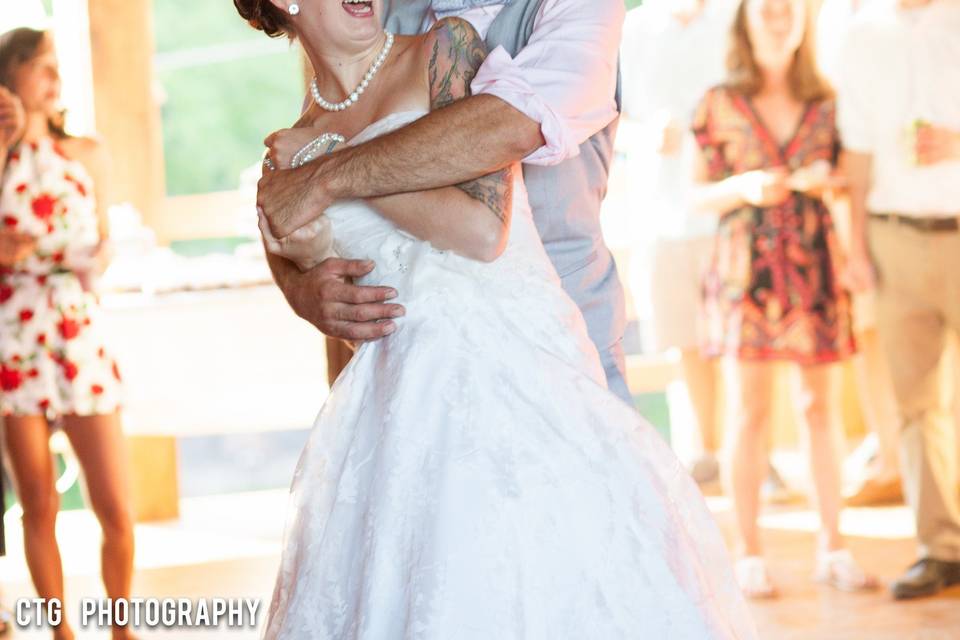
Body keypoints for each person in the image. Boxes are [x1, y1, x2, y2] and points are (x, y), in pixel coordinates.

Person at [237, 0, 758, 637]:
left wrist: (329, 170)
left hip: (533, 356)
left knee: (579, 570)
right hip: (396, 407)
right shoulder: (306, 124)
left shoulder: (459, 45)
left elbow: (494, 190)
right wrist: (300, 290)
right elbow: (299, 246)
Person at [255, 0, 632, 406]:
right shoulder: (375, 19)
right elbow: (306, 199)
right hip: (406, 387)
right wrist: (297, 287)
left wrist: (325, 169)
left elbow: (508, 126)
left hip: (555, 342)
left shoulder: (580, 6)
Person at [690, 0, 878, 598]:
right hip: (745, 270)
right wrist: (743, 186)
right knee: (750, 411)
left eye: (788, 10)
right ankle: (748, 553)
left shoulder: (828, 100)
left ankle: (834, 546)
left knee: (820, 408)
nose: (778, 17)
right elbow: (694, 195)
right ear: (744, 20)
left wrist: (851, 251)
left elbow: (849, 187)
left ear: (804, 22)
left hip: (814, 267)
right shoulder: (718, 100)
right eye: (766, 9)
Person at [0, 28, 135, 640]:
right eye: (41, 68)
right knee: (40, 504)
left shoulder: (87, 151)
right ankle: (61, 633)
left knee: (115, 507)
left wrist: (94, 258)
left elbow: (103, 243)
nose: (55, 79)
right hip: (13, 336)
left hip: (78, 329)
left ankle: (123, 627)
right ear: (10, 79)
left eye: (59, 67)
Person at [837, 0, 960, 600]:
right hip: (892, 238)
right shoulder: (861, 35)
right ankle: (941, 550)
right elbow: (854, 154)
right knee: (916, 404)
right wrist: (854, 246)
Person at [619, 0, 737, 486]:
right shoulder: (630, 29)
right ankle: (703, 453)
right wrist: (645, 136)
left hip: (726, 211)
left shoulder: (734, 20)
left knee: (734, 342)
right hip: (658, 213)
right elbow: (604, 118)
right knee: (681, 341)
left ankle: (742, 451)